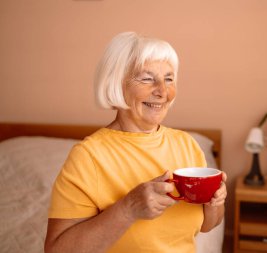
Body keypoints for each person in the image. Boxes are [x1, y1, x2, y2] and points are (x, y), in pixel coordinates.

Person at [44, 32, 227, 253]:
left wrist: (215, 202)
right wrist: (128, 209)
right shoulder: (88, 156)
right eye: (147, 78)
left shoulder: (186, 144)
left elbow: (208, 225)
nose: (162, 91)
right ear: (116, 83)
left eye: (169, 79)